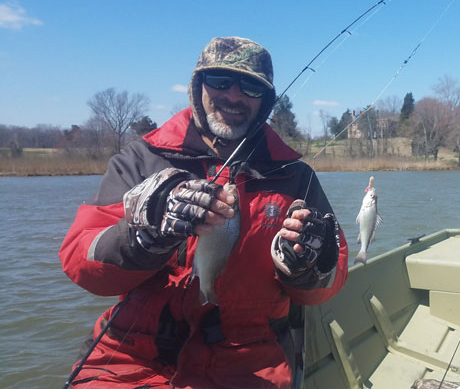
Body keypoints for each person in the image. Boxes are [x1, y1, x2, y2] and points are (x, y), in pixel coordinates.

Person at [59, 37, 348, 388]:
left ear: (266, 101)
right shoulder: (140, 160)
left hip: (249, 362)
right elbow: (81, 263)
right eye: (220, 81)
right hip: (129, 357)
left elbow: (328, 284)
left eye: (252, 88)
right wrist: (143, 234)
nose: (234, 96)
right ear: (198, 88)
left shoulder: (295, 176)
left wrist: (306, 267)